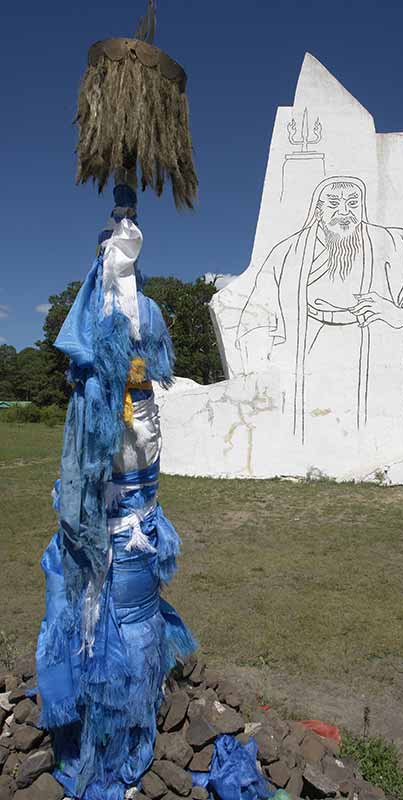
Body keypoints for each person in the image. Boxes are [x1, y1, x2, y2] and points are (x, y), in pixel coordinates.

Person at [36, 184, 197, 800]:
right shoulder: (101, 328)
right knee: (94, 611)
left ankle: (122, 732)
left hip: (134, 496)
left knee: (127, 617)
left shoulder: (141, 318)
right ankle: (98, 732)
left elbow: (147, 373)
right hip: (113, 497)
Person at [236, 176, 403, 442]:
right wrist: (258, 365)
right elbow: (256, 314)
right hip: (308, 343)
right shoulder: (287, 253)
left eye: (353, 203)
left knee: (375, 428)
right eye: (334, 203)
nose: (344, 212)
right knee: (311, 428)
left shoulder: (391, 243)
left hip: (371, 342)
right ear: (318, 210)